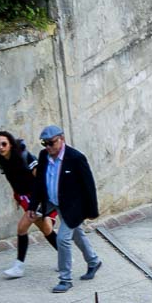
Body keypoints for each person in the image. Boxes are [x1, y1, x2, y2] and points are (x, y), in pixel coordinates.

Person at [30, 125, 102, 293]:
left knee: (62, 239)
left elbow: (89, 186)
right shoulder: (44, 156)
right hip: (55, 202)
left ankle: (65, 279)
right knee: (76, 233)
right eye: (44, 143)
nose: (48, 147)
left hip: (74, 206)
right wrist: (33, 205)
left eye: (51, 143)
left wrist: (92, 211)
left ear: (62, 139)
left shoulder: (76, 158)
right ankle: (93, 261)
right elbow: (39, 183)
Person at [0, 131, 58, 279]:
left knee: (22, 228)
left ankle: (19, 267)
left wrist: (40, 202)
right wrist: (17, 196)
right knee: (46, 229)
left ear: (10, 144)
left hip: (37, 197)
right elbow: (12, 179)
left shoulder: (24, 156)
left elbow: (40, 178)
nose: (1, 147)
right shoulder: (2, 161)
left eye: (4, 144)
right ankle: (65, 257)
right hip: (25, 198)